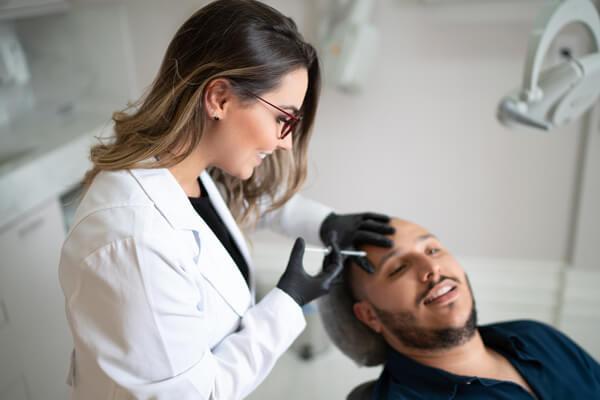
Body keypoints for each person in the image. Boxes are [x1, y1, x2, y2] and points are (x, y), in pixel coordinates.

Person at [57, 1, 396, 399]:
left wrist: (325, 224)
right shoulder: (137, 241)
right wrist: (287, 304)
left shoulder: (180, 169)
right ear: (219, 98)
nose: (285, 142)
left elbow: (243, 203)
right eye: (282, 119)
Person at [319, 218, 600, 399]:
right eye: (399, 268)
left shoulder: (537, 337)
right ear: (369, 315)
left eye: (432, 250)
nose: (432, 268)